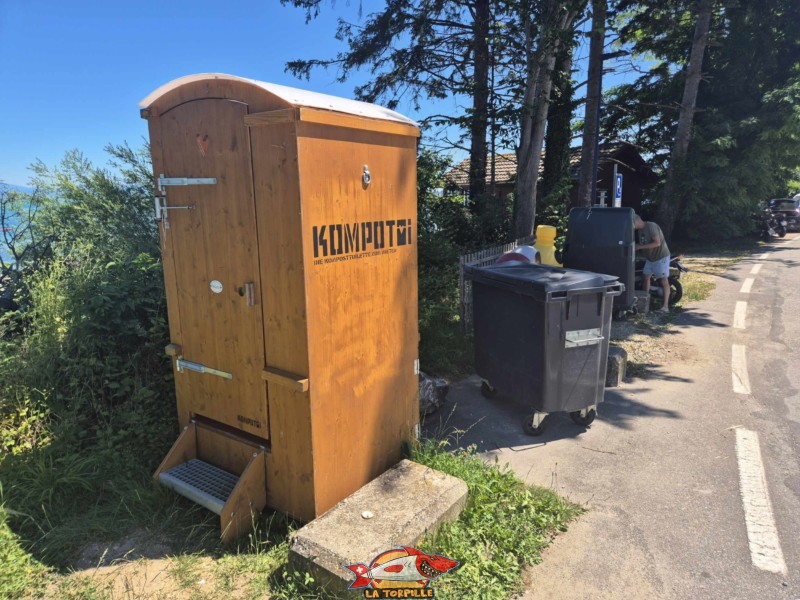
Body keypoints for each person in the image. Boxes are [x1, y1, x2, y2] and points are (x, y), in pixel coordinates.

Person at [634, 214, 671, 313]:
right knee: (645, 277)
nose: (631, 226)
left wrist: (640, 247)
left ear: (637, 220)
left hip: (661, 257)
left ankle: (665, 307)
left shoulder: (651, 226)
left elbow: (657, 243)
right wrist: (636, 246)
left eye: (632, 223)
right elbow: (643, 243)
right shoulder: (640, 231)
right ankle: (645, 302)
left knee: (664, 281)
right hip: (650, 259)